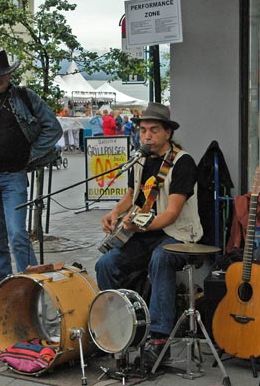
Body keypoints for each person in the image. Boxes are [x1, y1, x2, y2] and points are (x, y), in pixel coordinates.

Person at [96, 102, 202, 369]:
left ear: (168, 132)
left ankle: (159, 338)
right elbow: (133, 195)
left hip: (178, 233)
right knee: (105, 263)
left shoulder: (183, 162)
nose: (147, 136)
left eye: (154, 130)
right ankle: (123, 328)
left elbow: (172, 213)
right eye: (143, 130)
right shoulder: (140, 159)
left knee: (161, 258)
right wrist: (115, 213)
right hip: (146, 231)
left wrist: (140, 227)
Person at [0, 50, 62, 285]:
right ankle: (4, 285)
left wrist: (30, 154)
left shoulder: (25, 97)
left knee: (18, 234)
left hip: (13, 177)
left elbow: (53, 128)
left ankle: (30, 283)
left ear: (9, 74)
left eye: (1, 74)